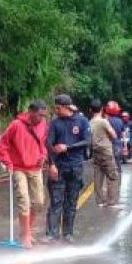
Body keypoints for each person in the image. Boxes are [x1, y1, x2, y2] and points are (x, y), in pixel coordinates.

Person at [0, 100, 49, 249]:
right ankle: (26, 235)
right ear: (31, 112)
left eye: (43, 115)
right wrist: (7, 162)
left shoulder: (43, 124)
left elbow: (43, 144)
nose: (41, 118)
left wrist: (43, 155)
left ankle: (26, 229)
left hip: (36, 168)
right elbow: (3, 145)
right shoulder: (16, 125)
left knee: (39, 202)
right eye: (39, 115)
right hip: (18, 168)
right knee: (24, 201)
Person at [45, 94, 90, 243]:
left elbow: (88, 141)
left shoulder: (82, 121)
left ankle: (68, 233)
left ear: (66, 107)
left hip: (75, 167)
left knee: (71, 202)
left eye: (58, 108)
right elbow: (49, 144)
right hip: (59, 167)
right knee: (56, 201)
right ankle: (52, 234)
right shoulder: (55, 123)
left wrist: (67, 147)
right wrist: (51, 164)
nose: (56, 110)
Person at [90, 101, 121, 208]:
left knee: (98, 176)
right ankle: (111, 201)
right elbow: (114, 135)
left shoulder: (90, 122)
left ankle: (100, 201)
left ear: (90, 110)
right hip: (105, 151)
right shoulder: (103, 122)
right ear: (102, 109)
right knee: (113, 175)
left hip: (95, 151)